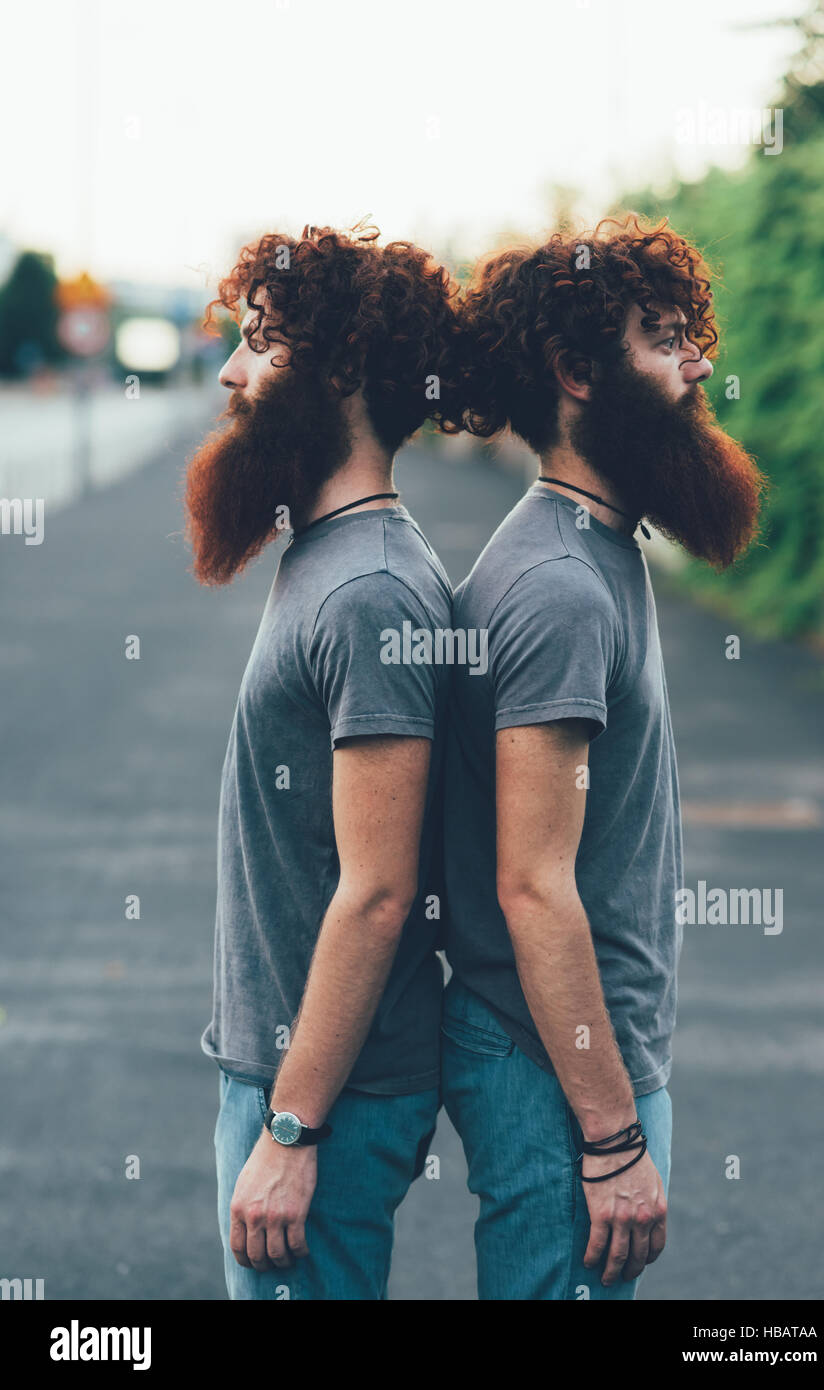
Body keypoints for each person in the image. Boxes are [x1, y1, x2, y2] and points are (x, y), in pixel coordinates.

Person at [441, 214, 767, 1300]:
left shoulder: (594, 549)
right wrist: (613, 1136)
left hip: (572, 1060)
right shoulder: (561, 586)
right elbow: (534, 888)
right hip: (558, 1072)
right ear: (577, 371)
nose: (699, 362)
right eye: (666, 338)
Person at [187, 222, 460, 1299]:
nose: (232, 370)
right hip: (291, 1074)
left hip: (322, 1095)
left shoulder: (370, 591)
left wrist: (292, 1127)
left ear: (341, 367)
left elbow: (381, 891)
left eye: (261, 342)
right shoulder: (331, 558)